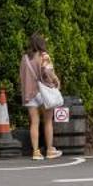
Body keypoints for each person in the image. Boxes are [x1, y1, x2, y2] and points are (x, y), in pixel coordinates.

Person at [19, 32, 64, 160]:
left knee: (34, 122)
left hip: (30, 92)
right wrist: (56, 80)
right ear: (41, 43)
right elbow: (49, 72)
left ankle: (36, 152)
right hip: (44, 93)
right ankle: (50, 150)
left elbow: (21, 76)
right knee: (48, 121)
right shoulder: (44, 56)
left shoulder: (25, 58)